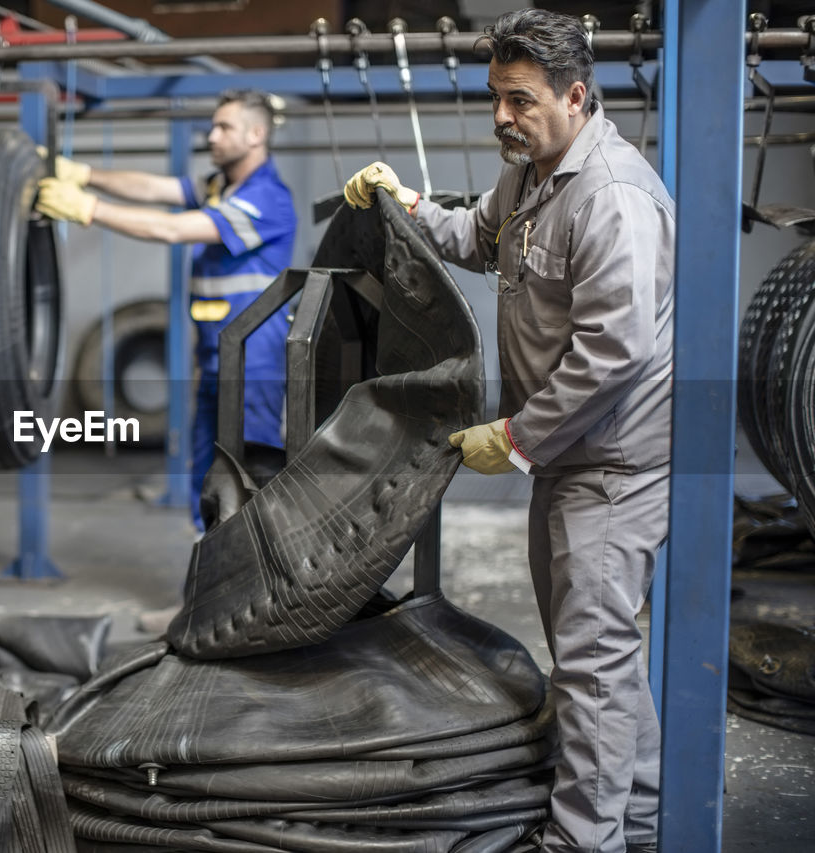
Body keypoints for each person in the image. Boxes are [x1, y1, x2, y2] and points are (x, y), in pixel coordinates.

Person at [345, 10, 672, 853]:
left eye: (520, 100)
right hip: (569, 458)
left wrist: (520, 435)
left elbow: (616, 347)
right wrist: (407, 201)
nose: (502, 116)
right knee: (595, 658)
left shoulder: (613, 196)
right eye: (497, 97)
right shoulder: (532, 175)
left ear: (574, 94)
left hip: (611, 464)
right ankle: (636, 824)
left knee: (593, 666)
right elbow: (479, 238)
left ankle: (581, 842)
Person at [36, 89, 298, 534]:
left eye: (224, 127)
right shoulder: (220, 187)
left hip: (255, 362)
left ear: (256, 134)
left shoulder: (266, 199)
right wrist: (84, 174)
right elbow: (156, 189)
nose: (212, 135)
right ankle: (204, 596)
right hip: (216, 357)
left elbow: (172, 228)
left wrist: (88, 209)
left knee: (251, 481)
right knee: (206, 478)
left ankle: (258, 595)